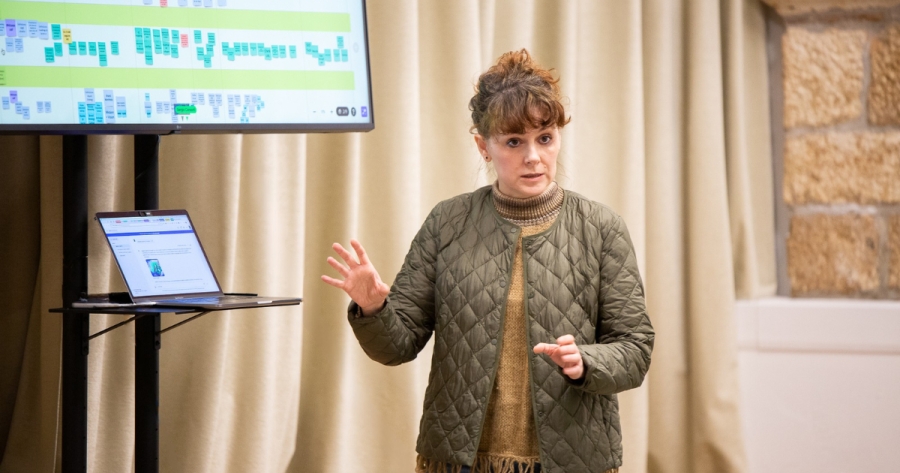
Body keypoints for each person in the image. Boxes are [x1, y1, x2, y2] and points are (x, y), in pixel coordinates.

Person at [322, 49, 654, 473]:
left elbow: (635, 349)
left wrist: (587, 361)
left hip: (572, 458)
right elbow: (397, 346)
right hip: (460, 460)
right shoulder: (447, 222)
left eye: (545, 138)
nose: (533, 156)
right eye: (514, 142)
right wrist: (373, 308)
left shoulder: (601, 228)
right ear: (483, 146)